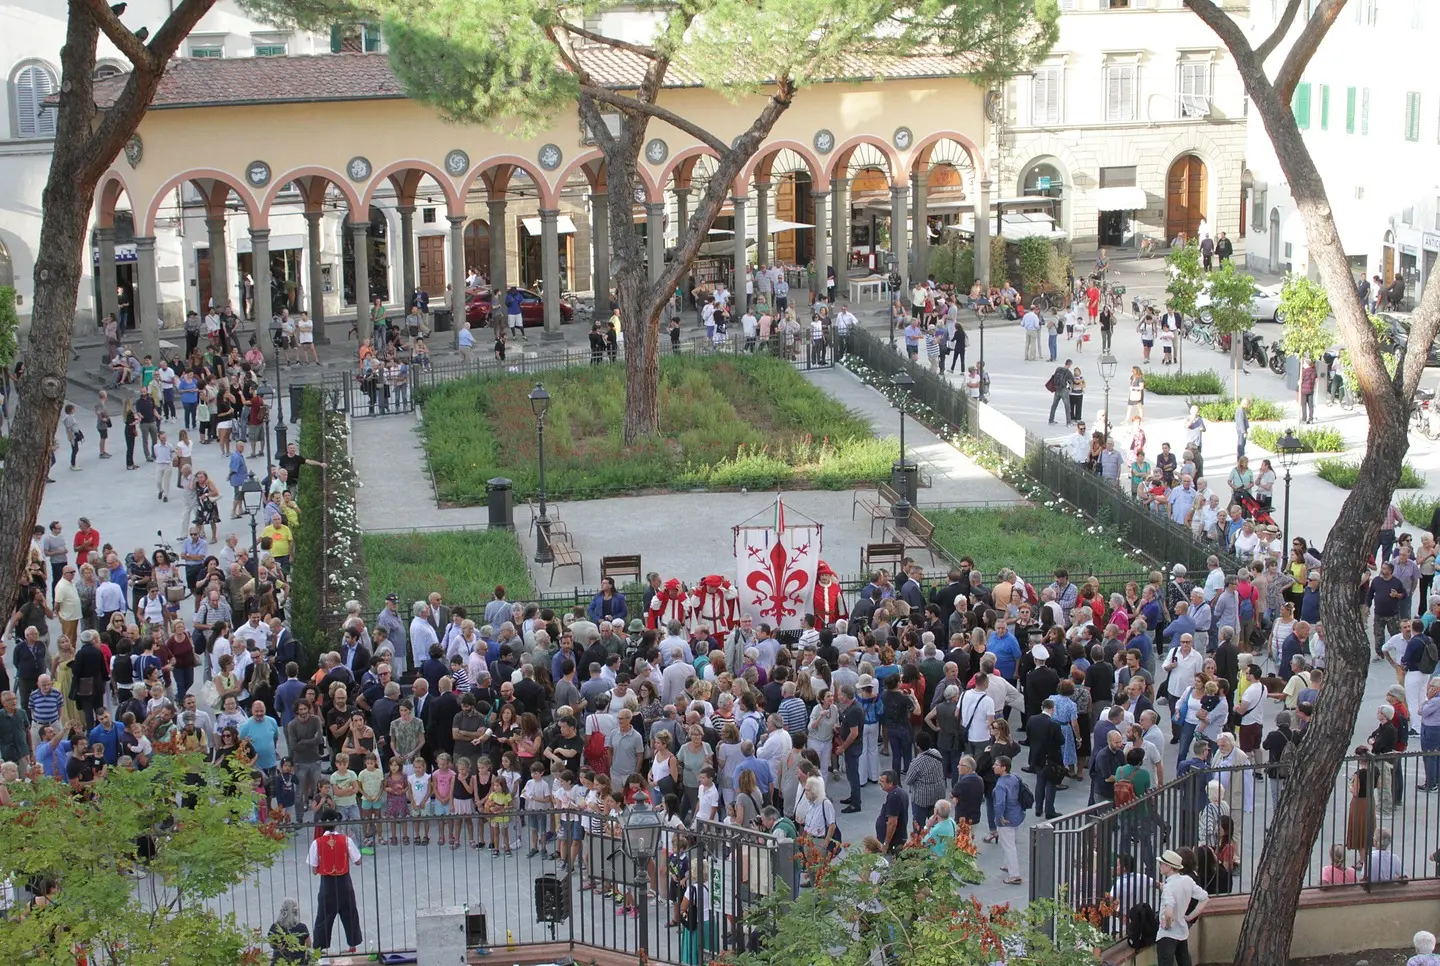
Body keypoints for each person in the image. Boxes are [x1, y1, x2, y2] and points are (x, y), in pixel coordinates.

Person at [308, 808, 363, 953]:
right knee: (350, 913)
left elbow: (314, 869)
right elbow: (358, 861)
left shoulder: (317, 843)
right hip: (344, 881)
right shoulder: (346, 840)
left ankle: (321, 949)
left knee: (324, 916)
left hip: (327, 883)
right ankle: (352, 945)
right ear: (336, 824)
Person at [1156, 848, 1209, 966]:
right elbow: (1204, 898)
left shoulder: (1168, 887)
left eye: (1162, 863)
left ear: (1169, 867)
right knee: (1184, 961)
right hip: (1182, 931)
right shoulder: (1187, 881)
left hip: (1167, 935)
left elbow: (1169, 913)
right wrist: (1190, 916)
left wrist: (1167, 924)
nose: (1160, 865)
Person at [991, 755, 1025, 885]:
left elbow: (999, 804)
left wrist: (999, 818)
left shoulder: (1000, 784)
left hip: (1007, 819)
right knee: (1011, 842)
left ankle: (1014, 875)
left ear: (1003, 768)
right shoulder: (1015, 778)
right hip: (1017, 815)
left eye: (996, 764)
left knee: (1009, 845)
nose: (994, 766)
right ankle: (1007, 865)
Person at [268, 896, 312, 965]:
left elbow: (272, 945)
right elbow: (309, 946)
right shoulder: (302, 927)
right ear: (296, 911)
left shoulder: (274, 927)